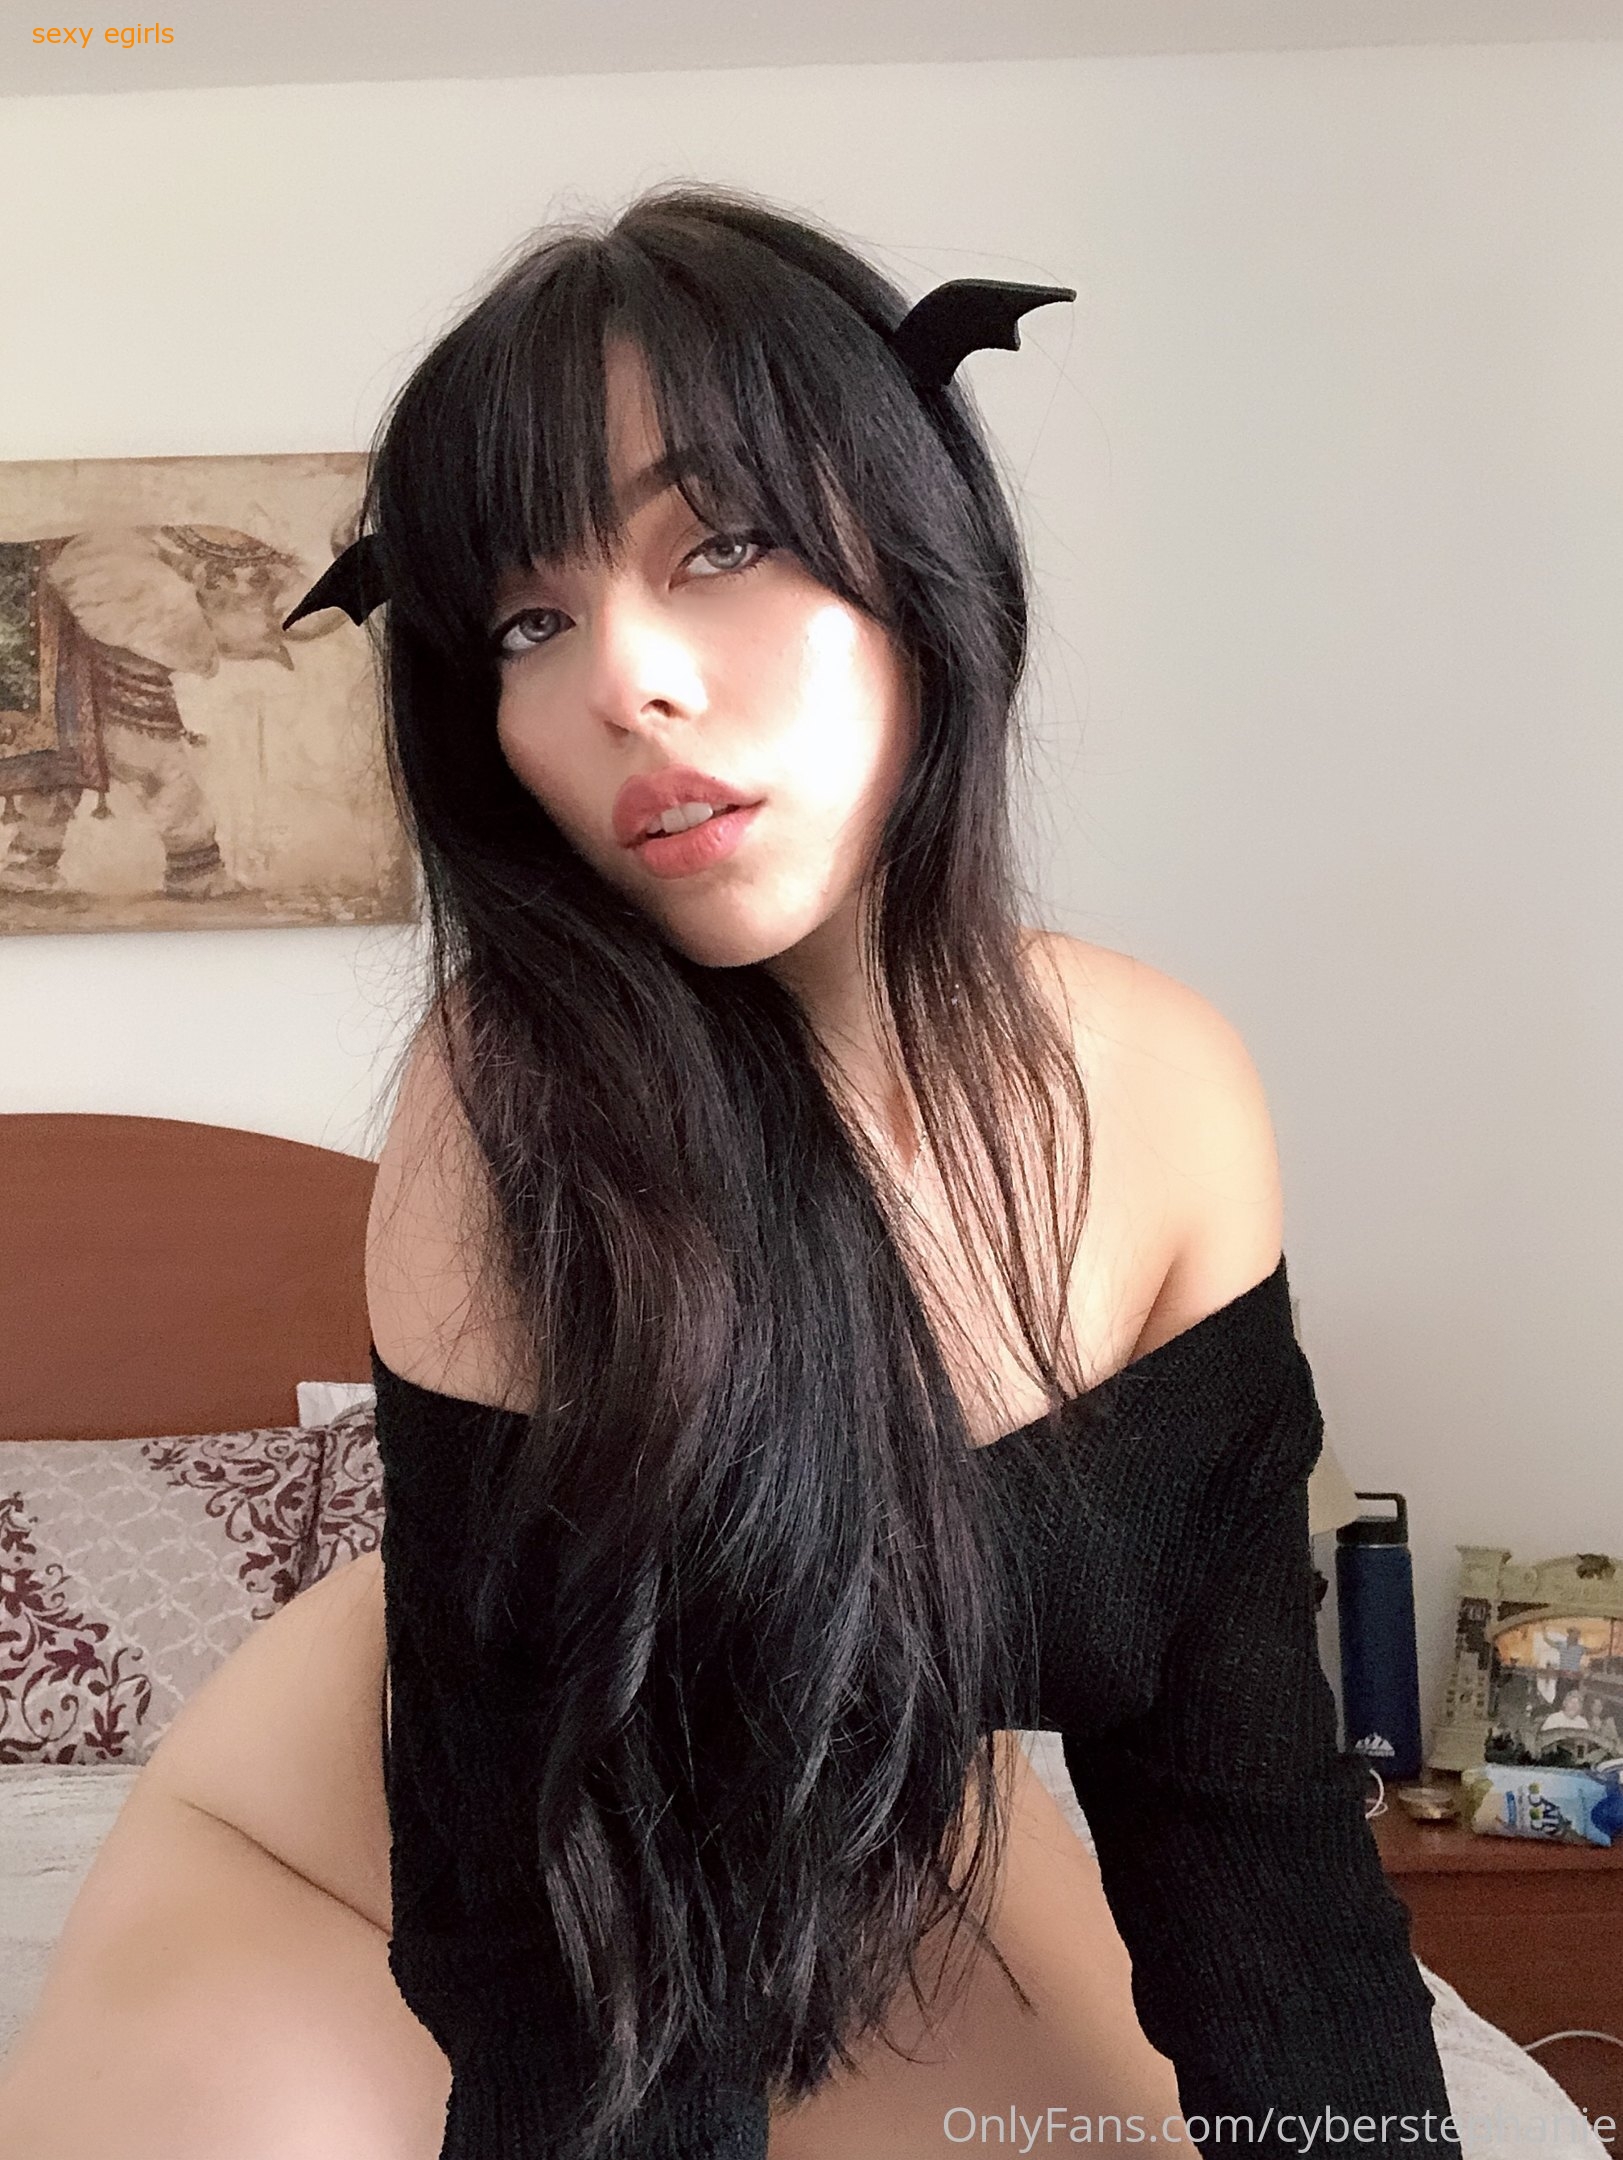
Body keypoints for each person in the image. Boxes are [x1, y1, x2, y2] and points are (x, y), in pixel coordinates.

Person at [312, 183, 1453, 2160]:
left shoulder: (1165, 1090)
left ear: (915, 540)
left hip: (886, 1844)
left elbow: (1253, 1855)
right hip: (359, 1830)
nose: (625, 682)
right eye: (527, 621)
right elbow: (541, 1940)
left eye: (721, 543)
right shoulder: (508, 1114)